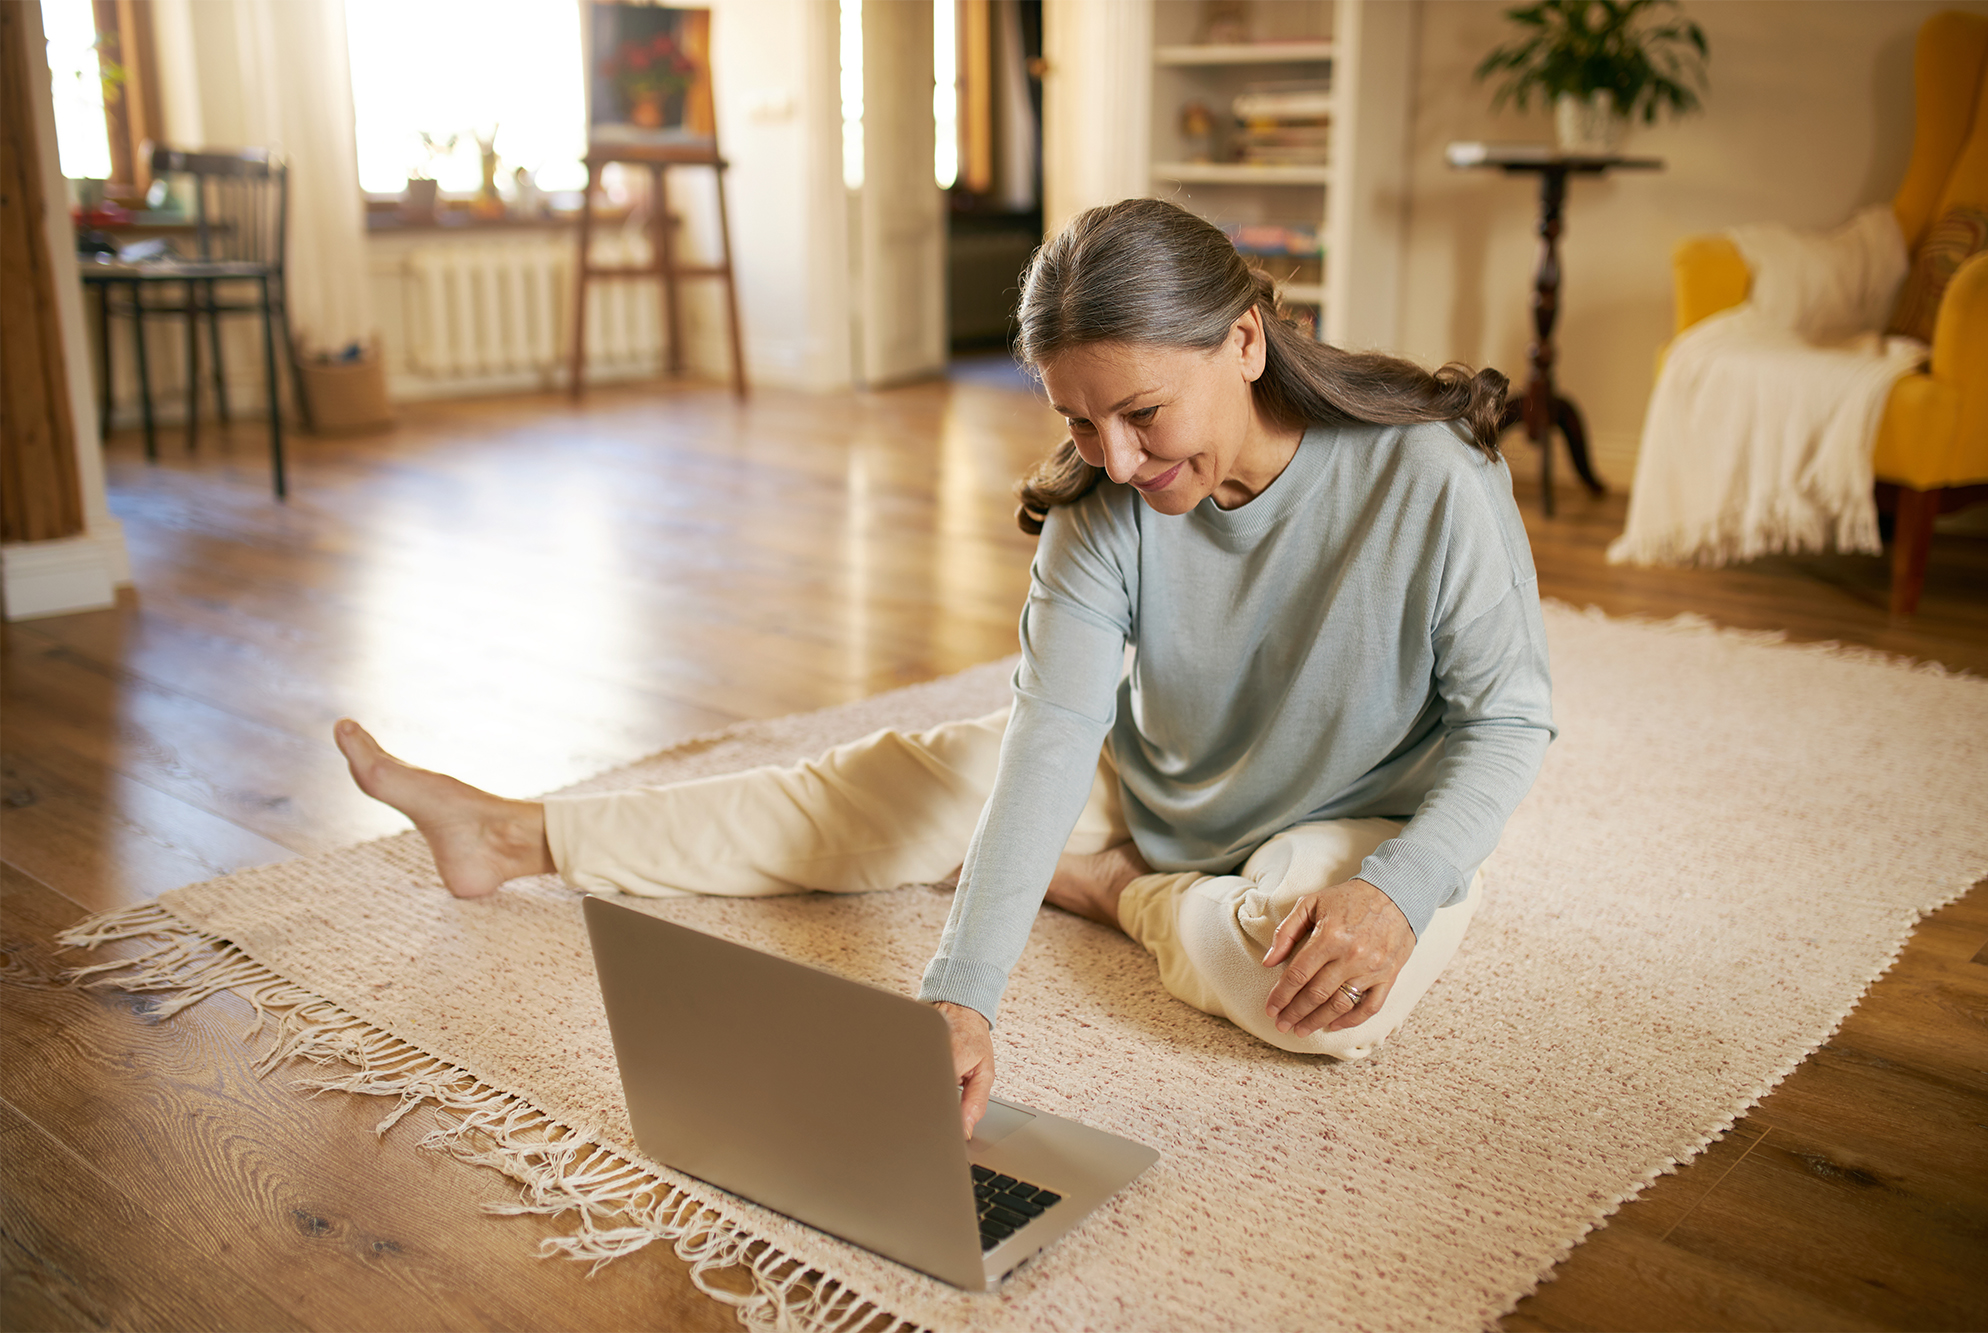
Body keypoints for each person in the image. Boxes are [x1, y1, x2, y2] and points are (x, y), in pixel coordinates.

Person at [336, 198, 1555, 1140]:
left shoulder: (1430, 474)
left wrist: (1400, 889)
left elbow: (1508, 719)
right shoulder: (1101, 504)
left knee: (1327, 1005)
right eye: (1078, 423)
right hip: (1159, 773)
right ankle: (516, 835)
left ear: (1244, 339)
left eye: (1140, 415)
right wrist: (962, 994)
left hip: (1356, 818)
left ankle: (1112, 893)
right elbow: (1050, 729)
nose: (1116, 460)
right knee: (875, 790)